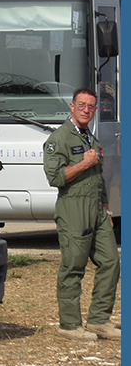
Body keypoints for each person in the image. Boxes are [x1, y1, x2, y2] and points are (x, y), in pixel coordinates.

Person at [43, 87, 121, 341]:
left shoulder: (91, 139)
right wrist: (85, 163)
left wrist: (106, 208)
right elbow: (55, 178)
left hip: (97, 209)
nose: (86, 110)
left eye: (91, 106)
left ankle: (99, 320)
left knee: (111, 262)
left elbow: (99, 179)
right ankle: (69, 325)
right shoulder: (59, 139)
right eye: (82, 105)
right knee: (73, 266)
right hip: (73, 208)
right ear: (72, 107)